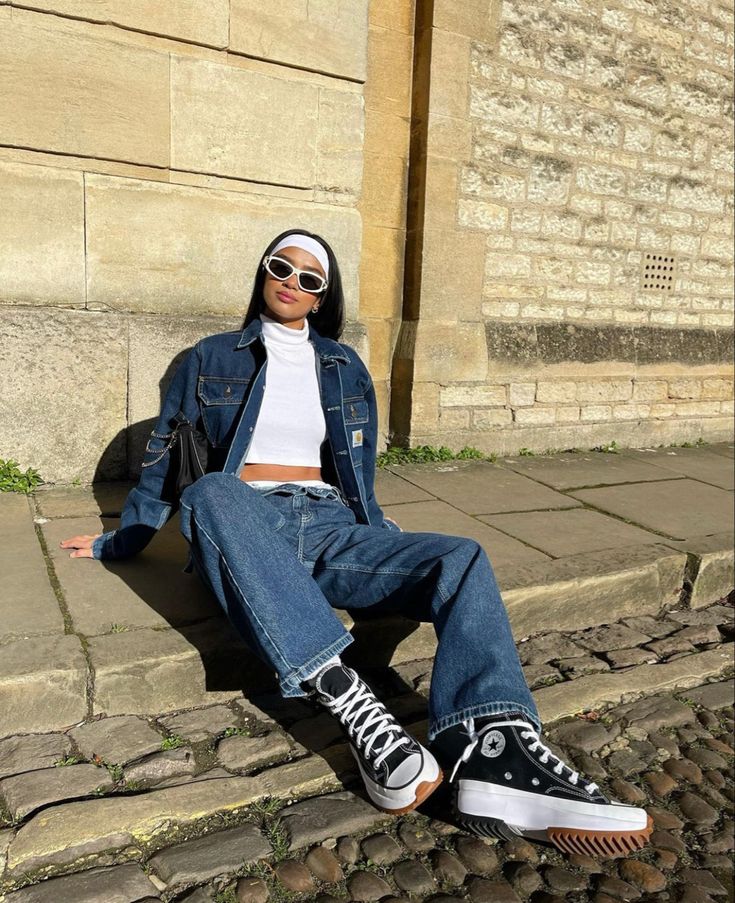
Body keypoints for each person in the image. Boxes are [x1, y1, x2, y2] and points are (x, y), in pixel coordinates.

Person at [62, 229, 652, 854]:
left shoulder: (343, 367)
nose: (293, 282)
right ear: (263, 275)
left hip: (329, 523)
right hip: (244, 520)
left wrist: (377, 530)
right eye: (280, 268)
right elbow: (164, 459)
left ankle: (493, 751)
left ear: (322, 297)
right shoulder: (208, 357)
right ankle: (352, 704)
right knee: (209, 491)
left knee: (461, 556)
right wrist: (122, 540)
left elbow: (356, 467)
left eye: (310, 279)